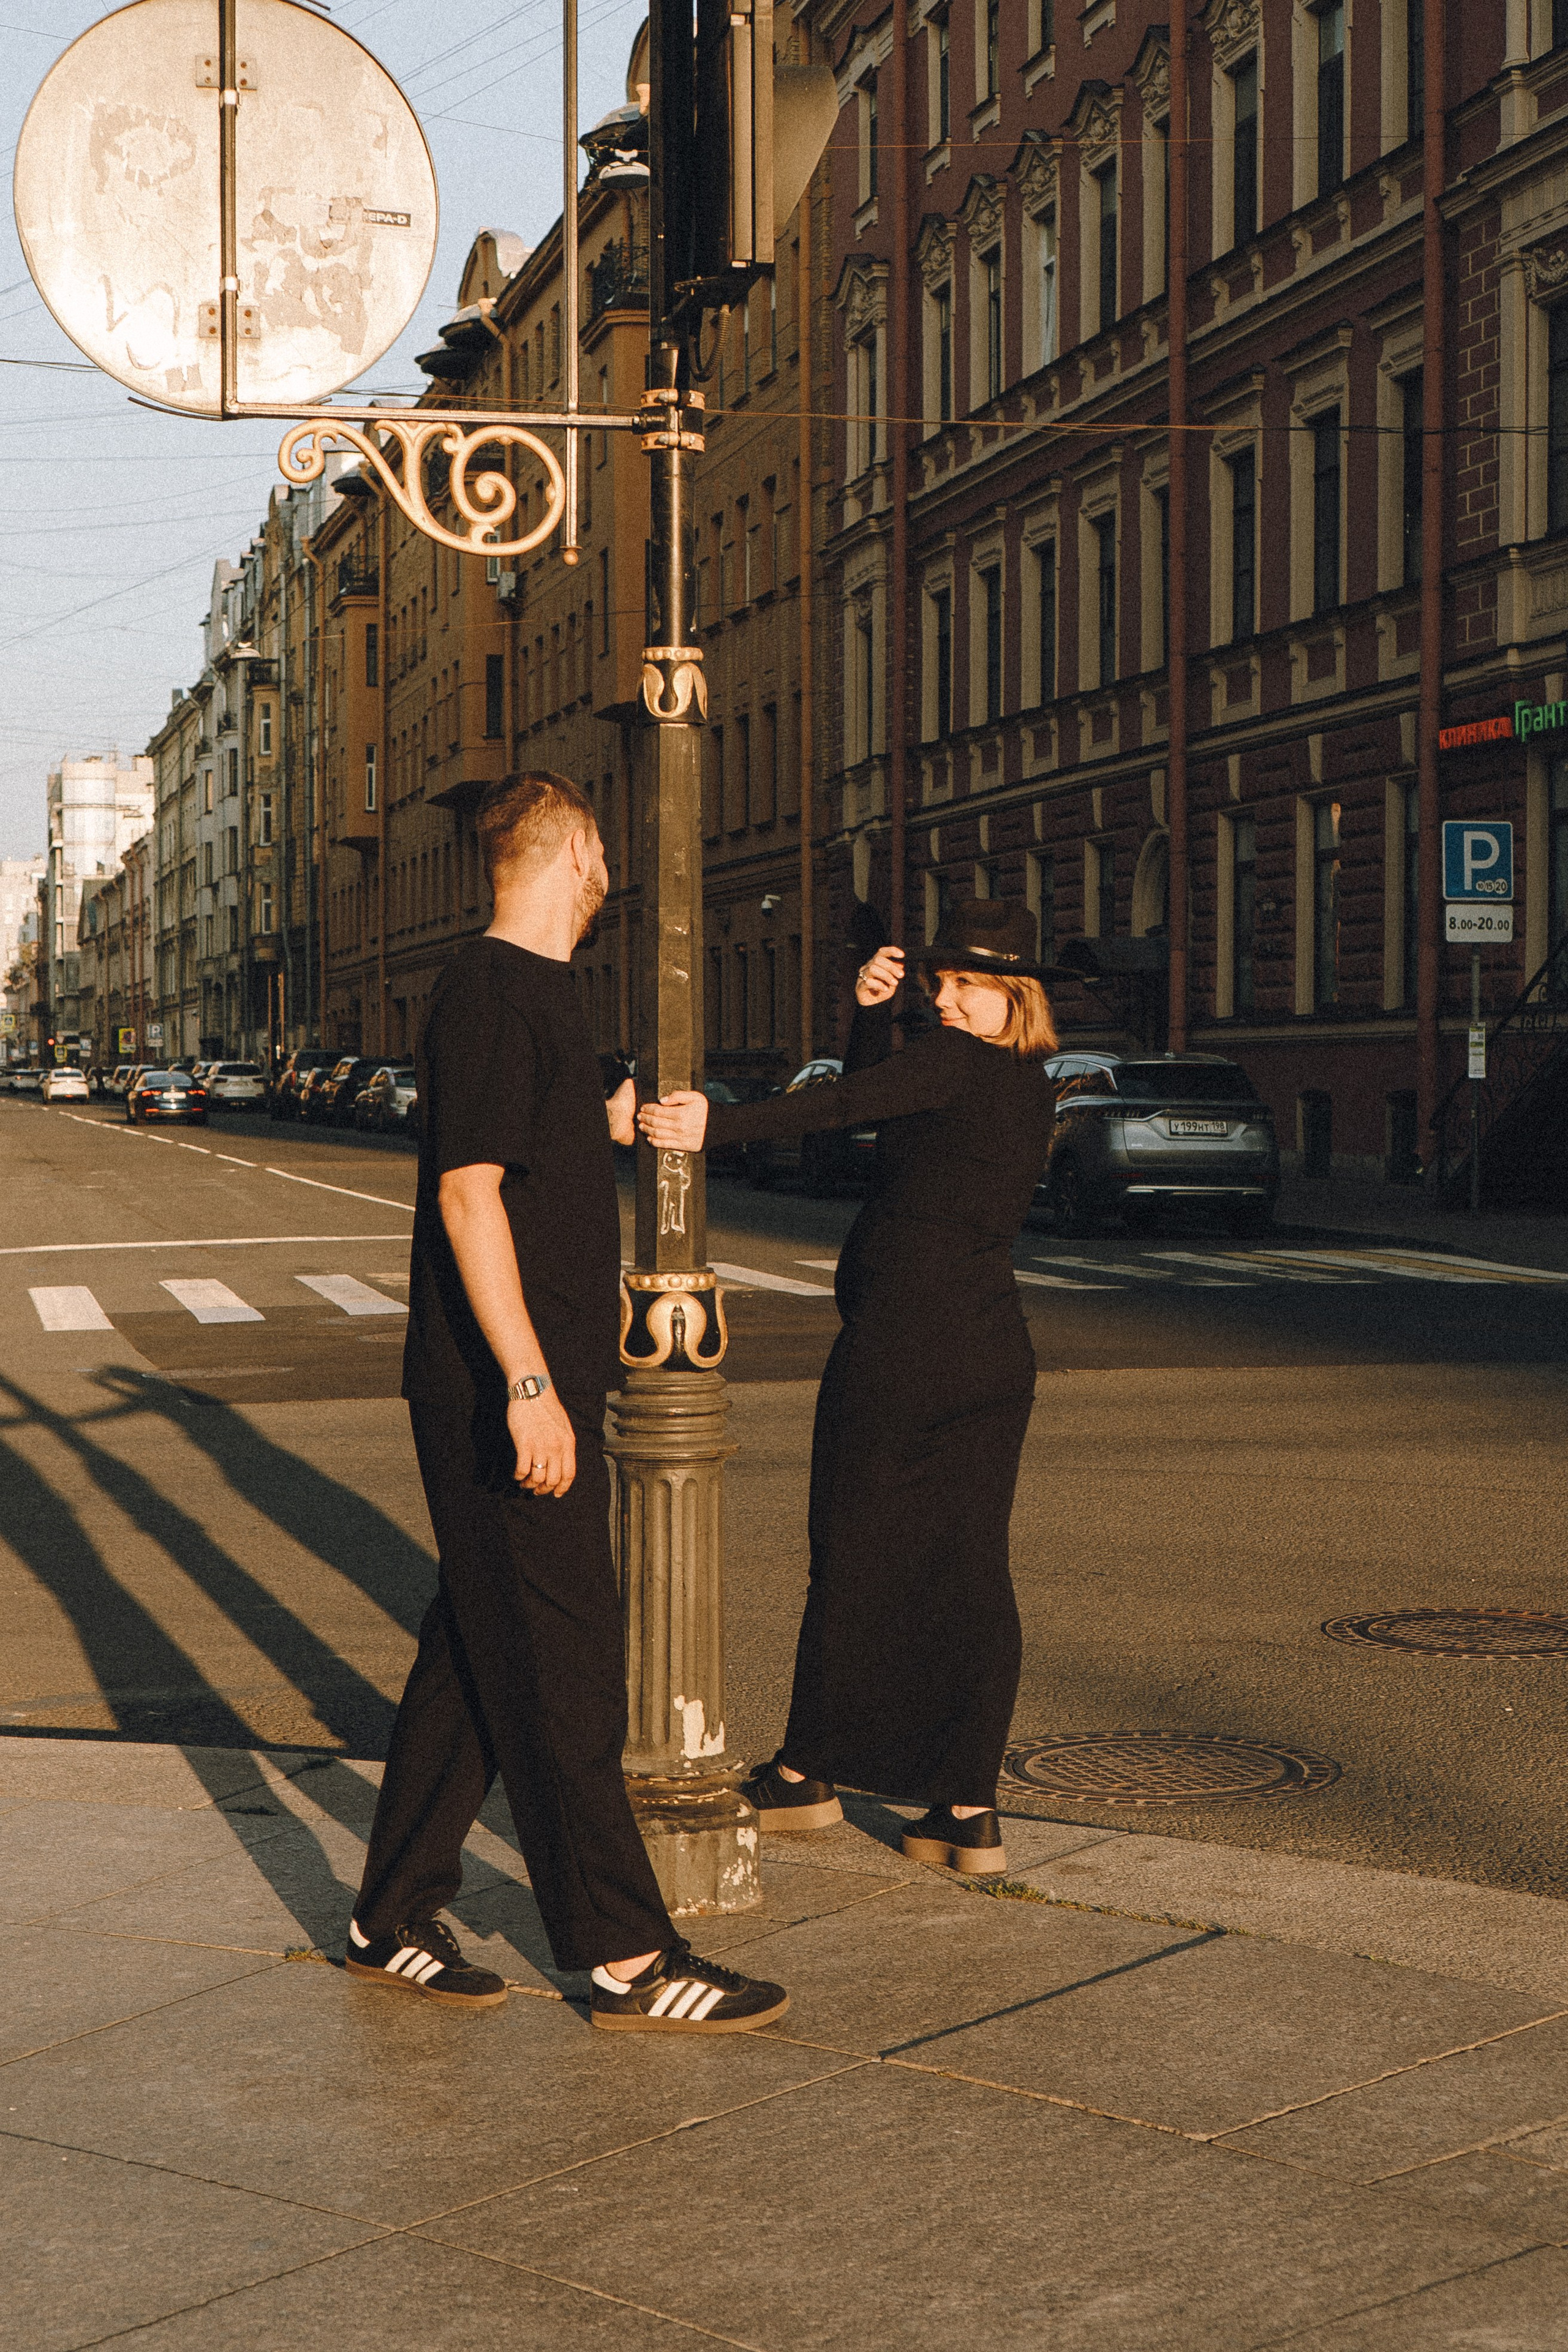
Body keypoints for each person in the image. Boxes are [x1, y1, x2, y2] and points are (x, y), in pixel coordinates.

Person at [347, 770, 788, 2034]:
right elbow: (466, 1197)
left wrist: (609, 1119)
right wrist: (529, 1387)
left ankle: (388, 1917)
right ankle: (621, 1957)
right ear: (580, 853)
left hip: (523, 1379)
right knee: (564, 1663)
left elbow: (527, 1158)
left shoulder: (536, 998)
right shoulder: (492, 990)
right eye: (607, 849)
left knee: (478, 1651)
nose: (612, 874)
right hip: (499, 1389)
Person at [639, 899, 1057, 1877]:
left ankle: (805, 1775)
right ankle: (963, 1808)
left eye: (968, 986)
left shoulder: (950, 1062)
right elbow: (883, 1118)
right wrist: (870, 1022)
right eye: (939, 982)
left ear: (1015, 993)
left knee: (851, 1549)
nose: (945, 999)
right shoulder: (1023, 1079)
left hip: (906, 1349)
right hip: (990, 1350)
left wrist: (715, 1126)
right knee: (966, 1569)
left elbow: (836, 1108)